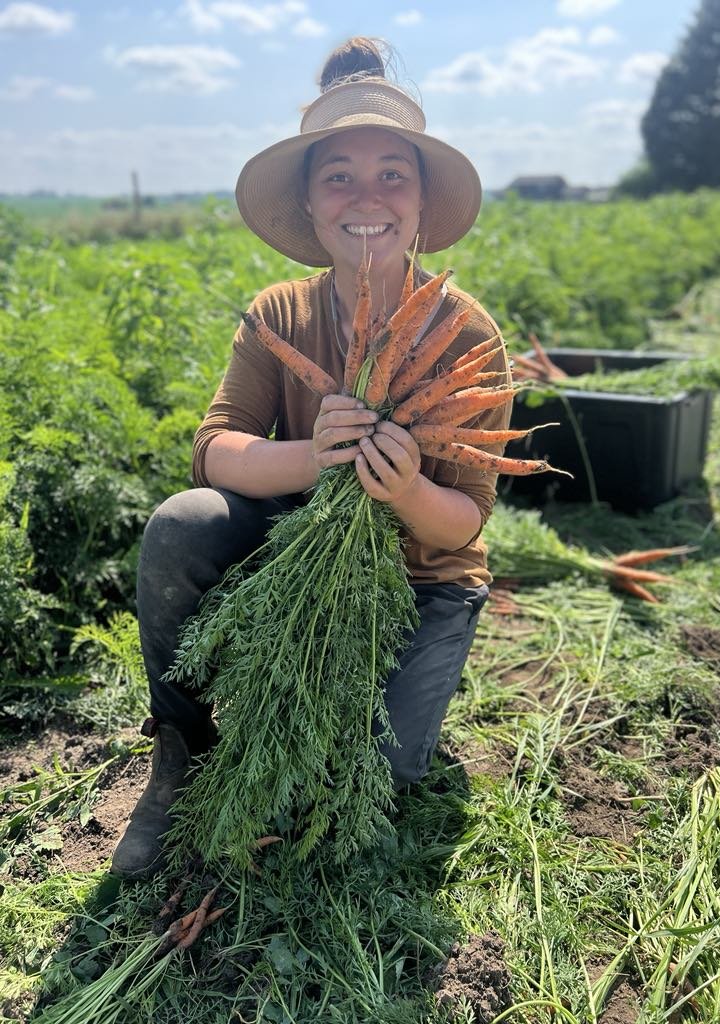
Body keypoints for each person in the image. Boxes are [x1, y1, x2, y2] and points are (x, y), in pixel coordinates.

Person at [111, 37, 512, 879]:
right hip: (296, 544)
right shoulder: (276, 314)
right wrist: (312, 457)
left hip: (424, 575)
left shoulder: (468, 334)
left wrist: (402, 489)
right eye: (339, 174)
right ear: (310, 199)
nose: (367, 197)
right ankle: (180, 746)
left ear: (422, 199)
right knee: (182, 525)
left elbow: (465, 519)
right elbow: (213, 449)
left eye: (392, 173)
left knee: (372, 774)